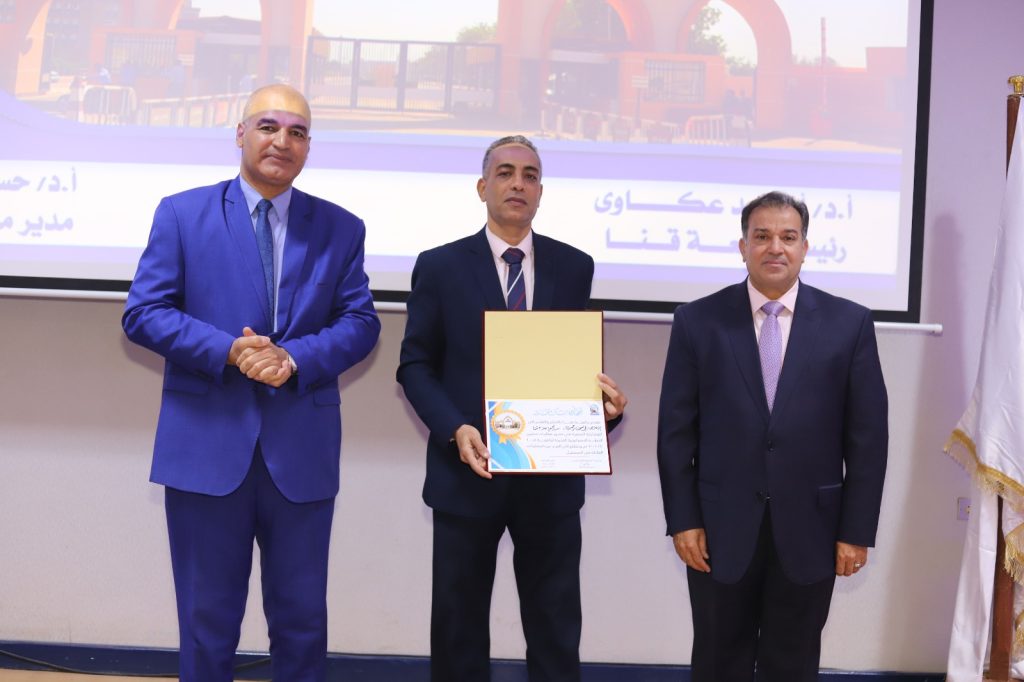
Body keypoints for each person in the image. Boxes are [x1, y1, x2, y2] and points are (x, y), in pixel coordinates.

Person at [122, 84, 380, 682]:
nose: (282, 141)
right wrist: (228, 351)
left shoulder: (341, 228)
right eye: (268, 126)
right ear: (240, 134)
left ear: (308, 146)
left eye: (297, 132)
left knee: (302, 624)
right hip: (206, 451)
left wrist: (293, 358)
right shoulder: (182, 214)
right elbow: (144, 312)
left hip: (301, 455)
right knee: (206, 624)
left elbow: (361, 323)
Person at [397, 135, 628, 682]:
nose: (517, 183)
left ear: (541, 191)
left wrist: (605, 411)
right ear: (483, 187)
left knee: (555, 629)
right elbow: (415, 366)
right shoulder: (440, 266)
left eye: (530, 175)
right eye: (504, 173)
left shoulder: (575, 266)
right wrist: (454, 428)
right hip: (467, 473)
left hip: (549, 480)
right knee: (458, 628)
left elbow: (570, 368)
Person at [656, 190, 888, 681]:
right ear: (743, 247)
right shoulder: (697, 321)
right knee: (718, 662)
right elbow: (675, 434)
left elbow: (868, 440)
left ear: (805, 247)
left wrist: (855, 530)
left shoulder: (850, 324)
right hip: (718, 530)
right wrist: (683, 520)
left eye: (788, 236)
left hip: (812, 531)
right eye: (761, 236)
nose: (775, 247)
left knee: (793, 665)